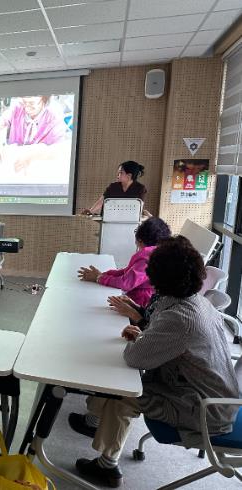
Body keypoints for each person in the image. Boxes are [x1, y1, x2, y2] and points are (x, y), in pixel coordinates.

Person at [69, 237, 238, 488]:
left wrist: (140, 338)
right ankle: (97, 430)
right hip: (211, 396)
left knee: (124, 393)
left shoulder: (180, 318)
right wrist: (144, 332)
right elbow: (164, 334)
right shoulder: (196, 302)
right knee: (124, 385)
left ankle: (106, 465)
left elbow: (134, 357)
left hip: (204, 410)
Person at [77, 217, 171, 307]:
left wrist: (99, 278)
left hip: (141, 302)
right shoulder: (157, 252)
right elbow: (127, 272)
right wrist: (103, 275)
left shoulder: (147, 257)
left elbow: (126, 283)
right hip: (142, 298)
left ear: (140, 240)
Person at [83, 161, 148, 216]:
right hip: (110, 219)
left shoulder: (140, 188)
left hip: (130, 221)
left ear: (129, 175)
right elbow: (102, 200)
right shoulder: (113, 186)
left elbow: (139, 207)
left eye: (120, 173)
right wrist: (91, 211)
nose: (117, 175)